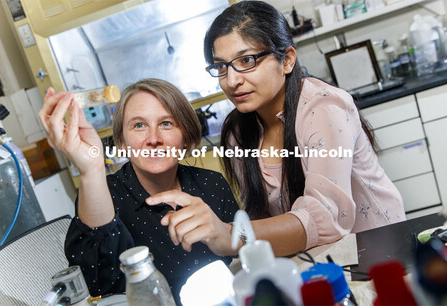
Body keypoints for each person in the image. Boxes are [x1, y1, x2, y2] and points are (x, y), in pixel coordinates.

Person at [146, 0, 406, 257]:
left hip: (378, 250)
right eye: (221, 67)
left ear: (287, 60)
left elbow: (325, 218)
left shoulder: (323, 108)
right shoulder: (237, 130)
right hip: (313, 258)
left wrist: (230, 234)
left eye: (247, 60)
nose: (232, 80)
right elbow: (259, 213)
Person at [38, 78, 239, 302]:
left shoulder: (212, 184)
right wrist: (92, 169)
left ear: (185, 138)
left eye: (166, 123)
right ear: (122, 143)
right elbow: (95, 284)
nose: (154, 139)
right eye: (139, 125)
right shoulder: (105, 194)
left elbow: (242, 255)